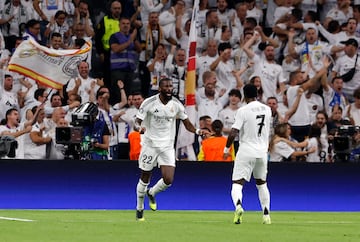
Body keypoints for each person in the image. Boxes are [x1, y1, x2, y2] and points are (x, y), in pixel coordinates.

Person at [134, 77, 209, 221]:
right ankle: (139, 208)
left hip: (167, 147)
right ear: (160, 88)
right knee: (145, 177)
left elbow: (187, 123)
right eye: (166, 87)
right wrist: (139, 128)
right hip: (150, 145)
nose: (169, 89)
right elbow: (136, 122)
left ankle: (152, 193)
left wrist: (199, 131)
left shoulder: (176, 104)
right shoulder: (149, 102)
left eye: (171, 87)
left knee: (168, 179)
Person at [223, 84, 272, 225]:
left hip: (246, 150)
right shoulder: (267, 109)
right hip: (262, 152)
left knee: (237, 183)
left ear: (244, 96)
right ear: (257, 94)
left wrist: (226, 150)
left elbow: (233, 132)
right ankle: (266, 214)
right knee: (262, 184)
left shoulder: (243, 110)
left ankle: (238, 206)